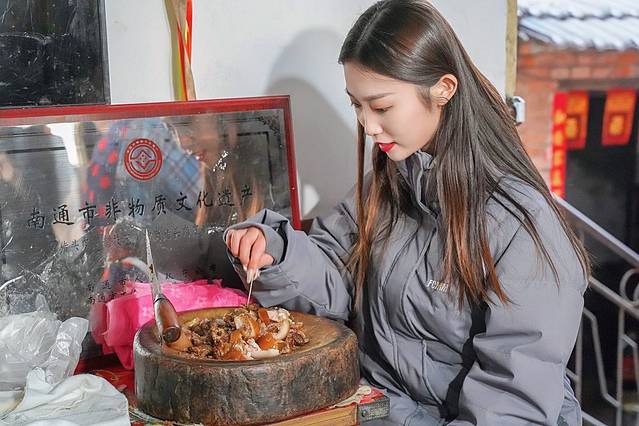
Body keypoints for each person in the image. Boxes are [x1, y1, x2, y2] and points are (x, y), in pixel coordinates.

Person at [223, 1, 590, 424]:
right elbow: (334, 275)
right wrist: (275, 251)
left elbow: (513, 402)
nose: (368, 125)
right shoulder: (387, 185)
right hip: (380, 413)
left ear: (443, 89)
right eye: (356, 105)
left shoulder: (520, 225)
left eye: (381, 107)